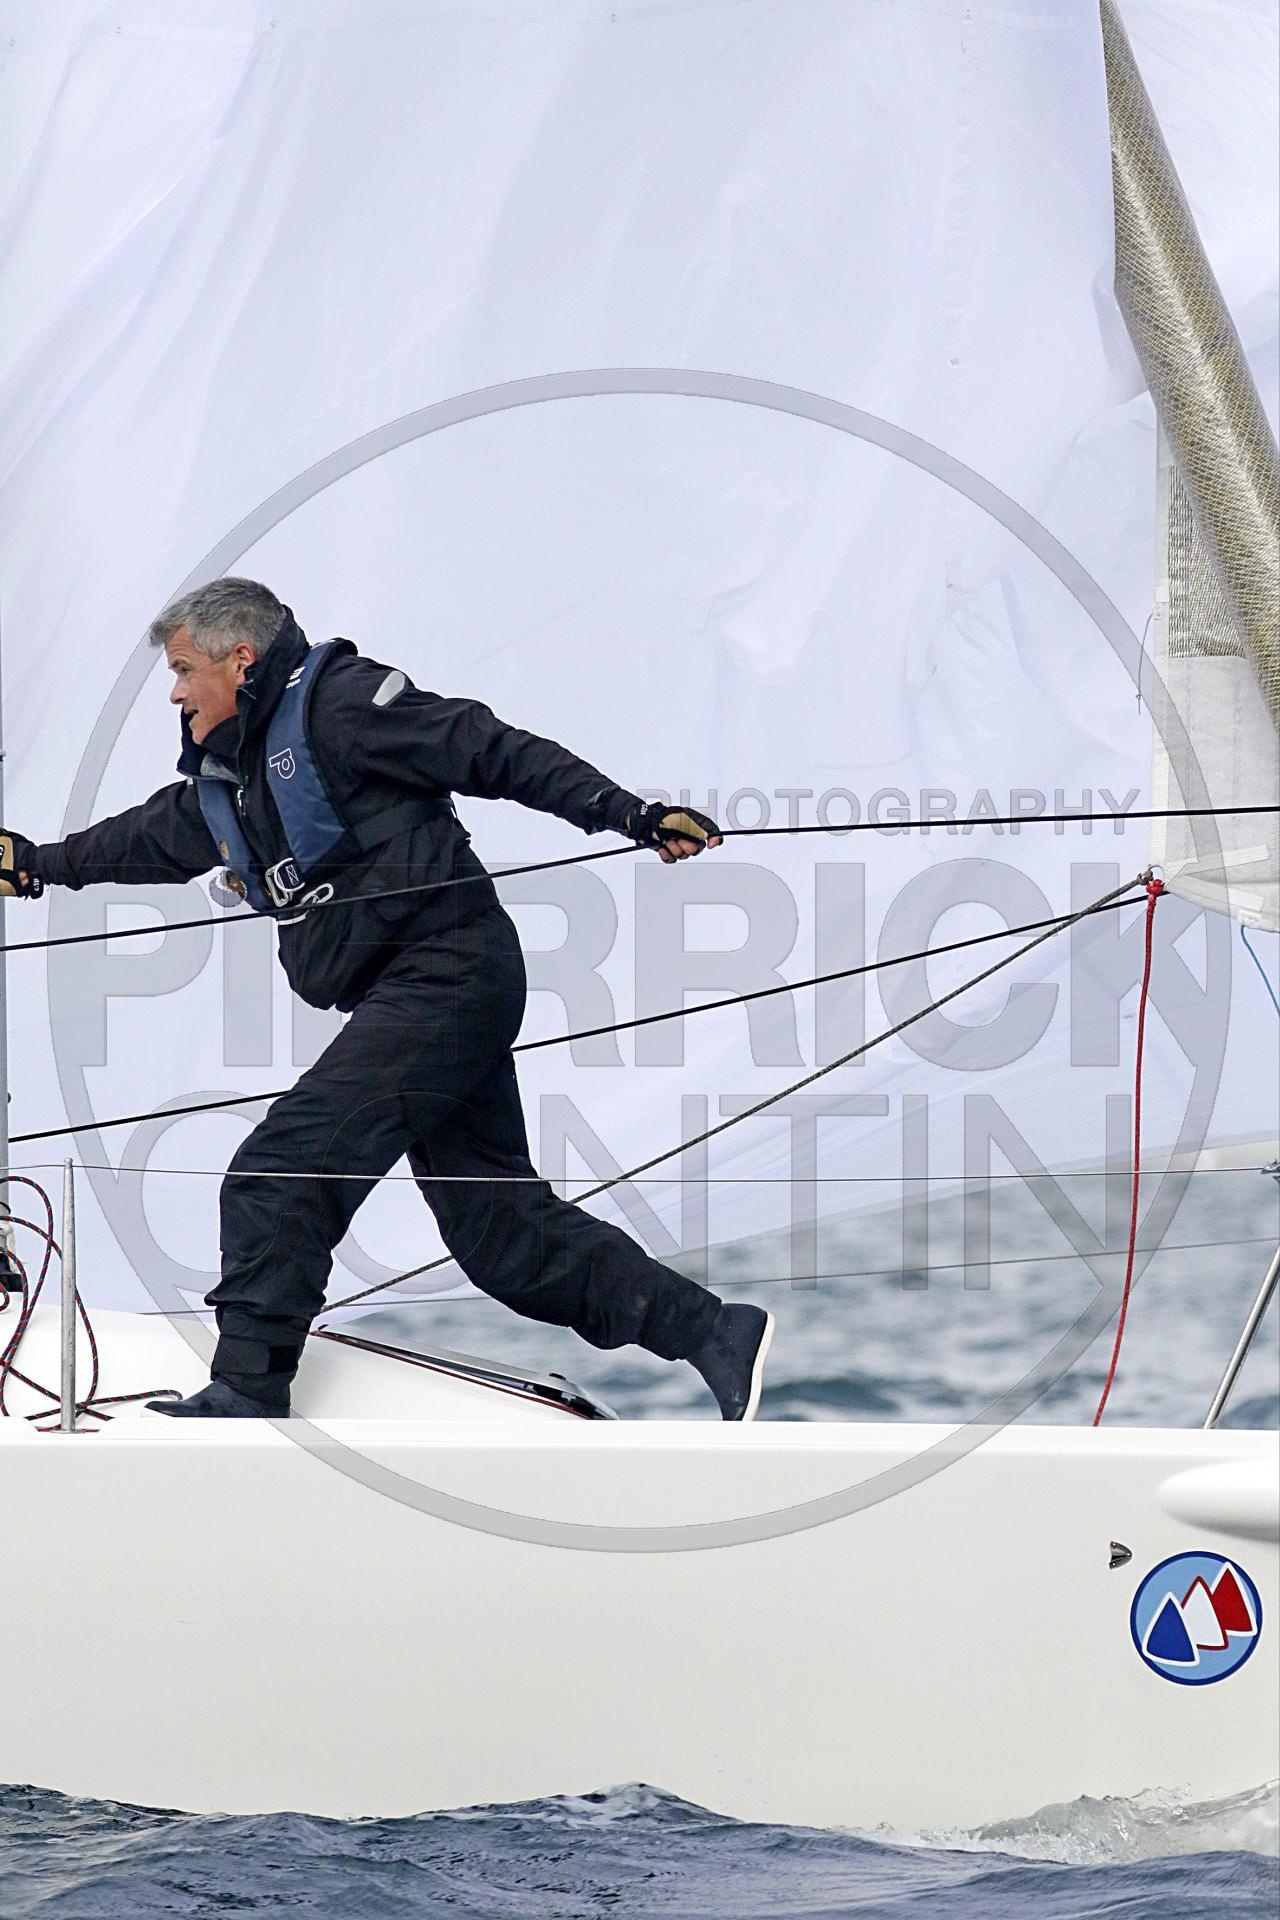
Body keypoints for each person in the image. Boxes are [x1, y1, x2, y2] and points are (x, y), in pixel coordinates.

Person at [0, 579, 773, 1419]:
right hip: (420, 993)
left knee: (279, 1171)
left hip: (447, 973)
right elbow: (153, 836)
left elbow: (489, 748)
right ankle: (715, 1330)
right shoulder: (236, 780)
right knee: (503, 1240)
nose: (176, 693)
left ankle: (249, 1393)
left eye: (184, 670)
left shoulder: (342, 708)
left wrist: (629, 815)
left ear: (241, 659)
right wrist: (35, 865)